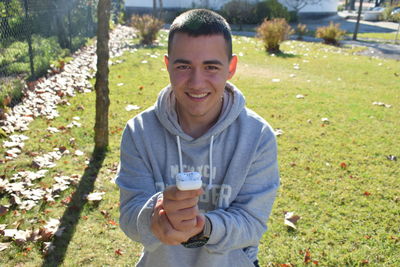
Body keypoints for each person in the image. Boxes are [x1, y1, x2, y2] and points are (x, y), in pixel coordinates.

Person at [116, 9, 280, 267]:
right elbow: (129, 216)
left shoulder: (258, 136)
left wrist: (202, 227)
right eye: (183, 66)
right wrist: (155, 217)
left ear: (231, 67)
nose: (196, 82)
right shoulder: (139, 131)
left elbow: (252, 223)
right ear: (168, 66)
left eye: (211, 67)